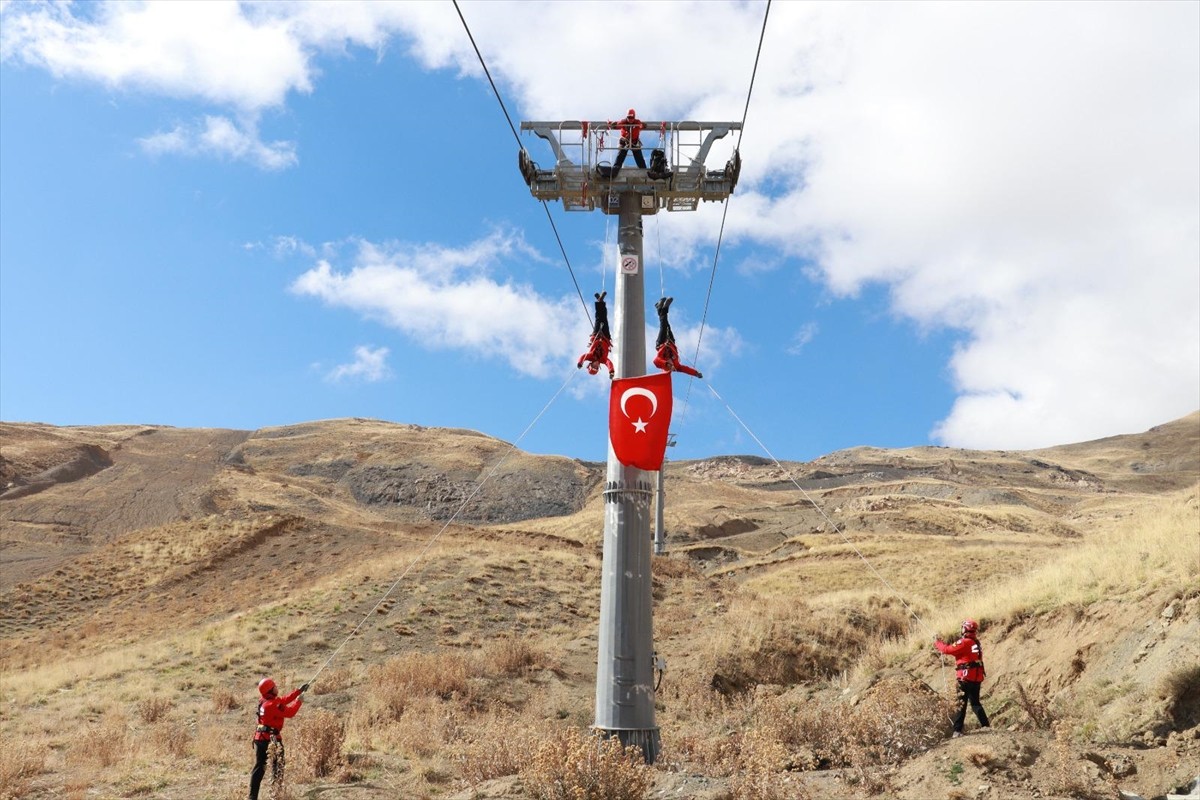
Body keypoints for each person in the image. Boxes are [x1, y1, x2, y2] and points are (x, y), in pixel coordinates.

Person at [249, 677, 307, 800]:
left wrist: (298, 691)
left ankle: (252, 797)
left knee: (259, 767)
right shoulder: (272, 705)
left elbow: (283, 700)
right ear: (270, 690)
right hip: (271, 739)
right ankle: (276, 795)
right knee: (278, 766)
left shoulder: (264, 701)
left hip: (260, 738)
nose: (277, 687)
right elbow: (290, 712)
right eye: (274, 686)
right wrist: (299, 701)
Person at [935, 619, 991, 737]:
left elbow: (946, 650)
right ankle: (986, 725)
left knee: (961, 704)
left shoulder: (965, 642)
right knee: (975, 703)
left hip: (965, 678)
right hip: (976, 678)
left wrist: (937, 642)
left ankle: (957, 730)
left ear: (965, 629)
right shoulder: (976, 643)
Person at [652, 296, 703, 379]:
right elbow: (686, 369)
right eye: (671, 368)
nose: (671, 367)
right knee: (666, 324)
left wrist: (666, 364)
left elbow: (656, 361)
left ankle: (664, 308)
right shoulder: (677, 366)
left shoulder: (661, 364)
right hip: (671, 341)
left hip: (661, 343)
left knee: (663, 326)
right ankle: (660, 308)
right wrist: (696, 373)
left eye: (669, 367)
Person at [577, 292, 614, 378]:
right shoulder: (603, 359)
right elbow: (609, 363)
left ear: (591, 364)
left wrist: (580, 363)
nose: (596, 365)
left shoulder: (590, 356)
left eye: (593, 366)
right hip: (605, 337)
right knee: (604, 318)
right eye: (596, 367)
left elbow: (583, 356)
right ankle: (600, 301)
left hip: (597, 335)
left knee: (598, 318)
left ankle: (599, 302)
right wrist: (611, 372)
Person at [608, 108, 646, 177]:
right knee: (620, 157)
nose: (630, 119)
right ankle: (614, 173)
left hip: (634, 142)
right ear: (627, 116)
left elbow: (641, 125)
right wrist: (612, 124)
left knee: (639, 158)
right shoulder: (623, 122)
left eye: (632, 117)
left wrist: (643, 125)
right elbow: (617, 125)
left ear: (634, 117)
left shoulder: (637, 122)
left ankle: (644, 173)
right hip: (624, 142)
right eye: (629, 117)